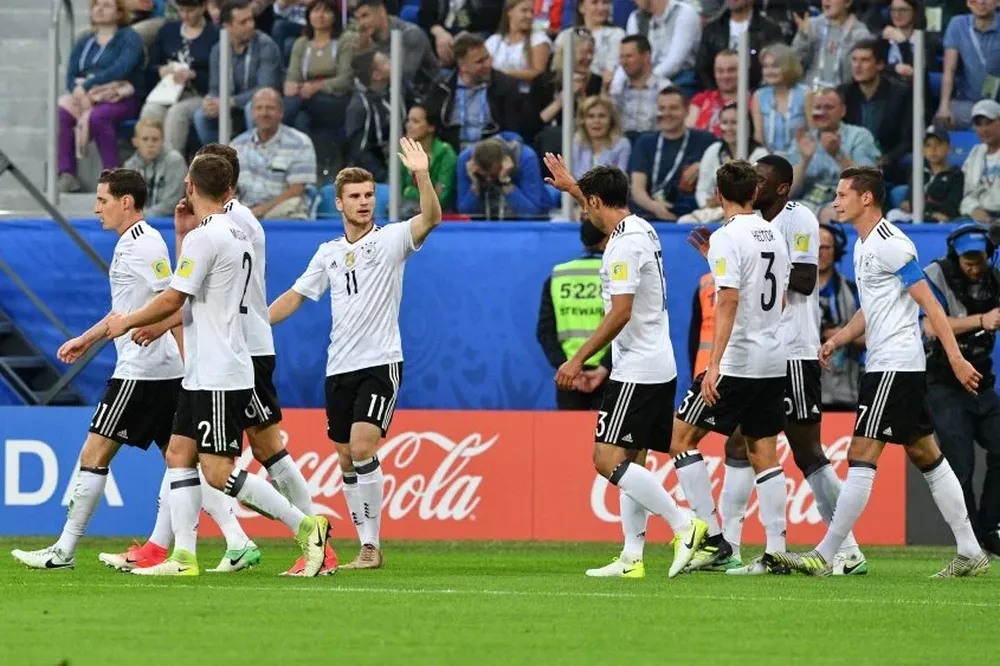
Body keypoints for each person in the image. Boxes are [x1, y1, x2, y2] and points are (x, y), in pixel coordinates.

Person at [10, 168, 263, 573]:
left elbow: (171, 298)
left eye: (103, 200)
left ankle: (64, 550)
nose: (96, 209)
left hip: (142, 371)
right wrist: (87, 339)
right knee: (182, 463)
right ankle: (238, 538)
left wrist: (182, 356)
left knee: (94, 453)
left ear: (126, 202)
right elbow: (125, 309)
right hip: (161, 371)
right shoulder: (132, 243)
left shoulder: (142, 245)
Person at [103, 155, 331, 577]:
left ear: (189, 186)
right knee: (178, 454)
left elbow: (174, 298)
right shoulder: (233, 230)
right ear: (229, 191)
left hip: (220, 370)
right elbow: (192, 295)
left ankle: (305, 526)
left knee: (217, 469)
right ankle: (183, 558)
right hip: (206, 368)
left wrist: (128, 320)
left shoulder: (206, 238)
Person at [774, 166, 991, 578]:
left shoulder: (892, 244)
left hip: (894, 365)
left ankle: (827, 553)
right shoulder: (862, 245)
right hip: (891, 365)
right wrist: (838, 339)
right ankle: (970, 550)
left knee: (860, 455)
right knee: (926, 454)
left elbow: (932, 305)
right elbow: (871, 309)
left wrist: (957, 358)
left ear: (866, 198)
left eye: (841, 195)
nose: (835, 202)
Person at [268, 139, 443, 569]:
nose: (365, 203)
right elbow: (294, 296)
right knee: (346, 456)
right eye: (356, 197)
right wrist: (251, 326)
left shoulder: (391, 240)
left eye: (369, 195)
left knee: (363, 447)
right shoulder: (328, 253)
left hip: (380, 362)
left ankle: (372, 546)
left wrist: (421, 174)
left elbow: (432, 218)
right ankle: (366, 545)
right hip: (338, 366)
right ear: (339, 204)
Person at [700, 156, 867, 575]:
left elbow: (807, 280)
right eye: (752, 177)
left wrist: (752, 265)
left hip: (794, 349)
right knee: (739, 444)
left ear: (780, 189)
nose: (755, 182)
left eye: (762, 178)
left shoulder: (800, 220)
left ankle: (846, 547)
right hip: (761, 350)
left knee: (806, 450)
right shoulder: (752, 226)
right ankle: (731, 546)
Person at [543, 155, 705, 579]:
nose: (584, 213)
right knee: (635, 459)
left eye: (584, 204)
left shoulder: (623, 244)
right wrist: (574, 187)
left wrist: (578, 359)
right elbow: (602, 205)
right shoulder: (639, 228)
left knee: (605, 458)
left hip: (636, 367)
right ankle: (633, 558)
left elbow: (621, 312)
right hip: (655, 361)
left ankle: (686, 527)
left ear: (598, 201)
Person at [668, 160, 792, 576]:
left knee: (680, 438)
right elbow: (776, 294)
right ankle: (776, 550)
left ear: (718, 195)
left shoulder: (726, 237)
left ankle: (713, 540)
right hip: (774, 356)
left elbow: (730, 300)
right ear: (755, 194)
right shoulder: (774, 232)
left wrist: (714, 363)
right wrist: (714, 260)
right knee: (763, 450)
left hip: (738, 359)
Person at [923, 224, 1000, 558]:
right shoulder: (935, 275)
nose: (974, 266)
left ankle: (991, 527)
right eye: (967, 260)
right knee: (961, 463)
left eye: (979, 259)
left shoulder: (994, 280)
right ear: (955, 255)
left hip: (982, 382)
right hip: (943, 383)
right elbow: (929, 325)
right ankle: (969, 541)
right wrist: (981, 320)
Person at [57, 0, 145, 193]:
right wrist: (78, 92)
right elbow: (71, 75)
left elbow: (121, 68)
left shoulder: (129, 38)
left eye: (106, 5)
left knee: (99, 116)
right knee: (62, 112)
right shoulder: (85, 41)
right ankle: (67, 173)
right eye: (96, 5)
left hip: (121, 96)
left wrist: (88, 86)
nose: (99, 9)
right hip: (85, 97)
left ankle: (112, 178)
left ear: (119, 12)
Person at [536, 220, 612, 411]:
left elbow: (545, 331)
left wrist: (565, 366)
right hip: (610, 374)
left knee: (569, 438)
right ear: (606, 241)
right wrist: (604, 367)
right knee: (608, 439)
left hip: (568, 375)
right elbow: (627, 324)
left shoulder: (558, 276)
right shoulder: (617, 275)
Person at [193, 0, 283, 145]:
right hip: (230, 103)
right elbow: (215, 88)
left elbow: (265, 88)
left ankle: (255, 155)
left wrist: (230, 102)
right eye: (243, 22)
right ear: (227, 26)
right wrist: (211, 101)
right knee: (200, 115)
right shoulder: (218, 49)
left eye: (251, 19)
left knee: (253, 109)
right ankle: (220, 159)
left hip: (257, 101)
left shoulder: (266, 45)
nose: (251, 25)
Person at [424, 33, 526, 152]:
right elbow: (431, 123)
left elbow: (512, 129)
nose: (488, 64)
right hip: (451, 150)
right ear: (463, 66)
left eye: (487, 57)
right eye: (480, 61)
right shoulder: (442, 87)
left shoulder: (505, 85)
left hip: (492, 150)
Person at [789, 88, 880, 219]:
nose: (822, 112)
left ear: (842, 110)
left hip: (843, 201)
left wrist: (838, 155)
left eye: (828, 107)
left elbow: (869, 183)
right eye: (818, 107)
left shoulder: (859, 136)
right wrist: (804, 161)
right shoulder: (804, 140)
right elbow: (787, 191)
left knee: (831, 213)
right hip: (806, 202)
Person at [142, 0, 219, 155]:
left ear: (202, 7)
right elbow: (151, 67)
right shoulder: (168, 31)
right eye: (182, 10)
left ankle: (172, 167)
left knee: (176, 114)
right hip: (167, 91)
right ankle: (148, 165)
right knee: (150, 111)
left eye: (190, 10)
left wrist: (193, 75)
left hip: (197, 93)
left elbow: (216, 77)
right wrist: (161, 70)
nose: (185, 15)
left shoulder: (214, 35)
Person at [628, 86, 717, 221]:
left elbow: (726, 167)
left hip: (693, 219)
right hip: (650, 217)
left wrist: (704, 165)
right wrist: (655, 207)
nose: (666, 113)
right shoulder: (645, 142)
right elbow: (637, 188)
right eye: (661, 108)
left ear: (687, 111)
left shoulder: (705, 140)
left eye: (673, 108)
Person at [230, 88, 317, 219]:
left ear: (281, 112)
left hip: (281, 212)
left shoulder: (300, 142)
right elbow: (230, 188)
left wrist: (262, 210)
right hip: (245, 213)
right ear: (252, 113)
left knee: (293, 205)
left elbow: (297, 190)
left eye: (270, 108)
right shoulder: (236, 145)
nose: (264, 113)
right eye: (259, 108)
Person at [679, 102, 769, 223]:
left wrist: (725, 200)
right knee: (684, 221)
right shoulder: (713, 150)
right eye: (725, 123)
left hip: (749, 212)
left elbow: (760, 193)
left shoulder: (760, 154)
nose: (728, 128)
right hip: (715, 210)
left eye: (734, 123)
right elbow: (702, 189)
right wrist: (707, 202)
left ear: (747, 125)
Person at [838, 39, 912, 183]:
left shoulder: (900, 93)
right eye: (854, 60)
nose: (857, 66)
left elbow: (908, 139)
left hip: (887, 162)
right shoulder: (844, 93)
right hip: (850, 159)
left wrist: (887, 159)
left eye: (864, 60)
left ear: (879, 64)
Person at [283, 0, 350, 146]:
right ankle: (304, 160)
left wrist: (316, 87)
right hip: (305, 100)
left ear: (335, 16)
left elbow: (345, 80)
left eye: (326, 11)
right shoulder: (301, 43)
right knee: (300, 119)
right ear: (308, 15)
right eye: (316, 11)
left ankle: (274, 121)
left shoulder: (344, 41)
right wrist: (292, 86)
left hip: (336, 100)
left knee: (295, 103)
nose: (320, 15)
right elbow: (292, 80)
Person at [347, 0, 440, 98]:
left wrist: (367, 56)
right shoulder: (366, 39)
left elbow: (401, 78)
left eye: (365, 16)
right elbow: (357, 79)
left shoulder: (411, 34)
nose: (361, 23)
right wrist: (362, 53)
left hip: (424, 98)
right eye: (358, 19)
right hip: (384, 96)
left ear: (381, 12)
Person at [525, 28, 602, 147]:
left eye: (591, 52)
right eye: (584, 52)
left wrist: (582, 96)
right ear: (567, 53)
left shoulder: (596, 81)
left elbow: (600, 121)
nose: (589, 57)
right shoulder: (544, 81)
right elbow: (531, 125)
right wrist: (560, 101)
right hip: (549, 142)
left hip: (586, 141)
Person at [817, 222, 862, 411]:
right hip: (805, 386)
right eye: (815, 247)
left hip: (845, 388)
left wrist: (843, 335)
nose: (820, 253)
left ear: (836, 250)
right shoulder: (791, 293)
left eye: (826, 247)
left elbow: (873, 335)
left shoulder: (852, 291)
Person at [937, 0, 1000, 130]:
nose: (981, 2)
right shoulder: (958, 24)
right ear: (968, 3)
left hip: (997, 103)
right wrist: (944, 106)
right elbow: (949, 69)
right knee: (941, 122)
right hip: (967, 102)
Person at [696, 0, 785, 92]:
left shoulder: (770, 30)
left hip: (755, 94)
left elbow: (777, 65)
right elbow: (702, 67)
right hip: (720, 95)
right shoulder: (712, 29)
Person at [345, 52, 403, 183]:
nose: (392, 63)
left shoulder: (395, 91)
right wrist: (385, 177)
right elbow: (360, 151)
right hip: (374, 177)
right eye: (386, 63)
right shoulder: (360, 106)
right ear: (376, 75)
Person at [886, 125, 964, 223]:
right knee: (892, 215)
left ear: (948, 148)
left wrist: (920, 207)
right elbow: (910, 202)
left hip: (942, 221)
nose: (933, 149)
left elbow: (951, 208)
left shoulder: (956, 175)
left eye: (938, 144)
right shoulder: (919, 172)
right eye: (928, 145)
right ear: (923, 150)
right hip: (920, 216)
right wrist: (931, 211)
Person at [456, 136, 546, 218]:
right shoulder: (466, 160)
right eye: (483, 175)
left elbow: (531, 213)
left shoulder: (526, 158)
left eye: (493, 175)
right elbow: (464, 212)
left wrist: (505, 181)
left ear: (504, 164)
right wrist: (475, 184)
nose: (488, 179)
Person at [792, 0, 873, 90]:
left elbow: (851, 74)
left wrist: (846, 40)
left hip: (841, 97)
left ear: (848, 2)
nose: (827, 1)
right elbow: (795, 65)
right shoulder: (811, 25)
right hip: (810, 94)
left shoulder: (860, 33)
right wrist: (803, 38)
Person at [620, 0, 702, 86]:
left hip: (680, 78)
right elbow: (628, 56)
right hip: (644, 78)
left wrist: (646, 81)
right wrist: (617, 85)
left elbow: (675, 62)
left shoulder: (684, 13)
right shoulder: (636, 17)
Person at [752, 43, 813, 156]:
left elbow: (814, 132)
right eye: (765, 66)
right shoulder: (759, 96)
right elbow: (758, 138)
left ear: (788, 67)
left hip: (801, 159)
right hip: (769, 159)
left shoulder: (805, 94)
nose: (769, 71)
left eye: (775, 66)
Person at [123, 118, 188, 217]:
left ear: (163, 141)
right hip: (140, 221)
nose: (150, 144)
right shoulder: (129, 166)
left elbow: (172, 204)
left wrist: (142, 215)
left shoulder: (175, 161)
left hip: (170, 222)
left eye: (155, 139)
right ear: (135, 142)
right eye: (145, 139)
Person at [401, 103, 458, 215]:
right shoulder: (402, 152)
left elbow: (442, 196)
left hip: (441, 215)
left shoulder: (446, 153)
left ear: (431, 127)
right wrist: (429, 192)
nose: (409, 125)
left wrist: (409, 190)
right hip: (406, 211)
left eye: (415, 121)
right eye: (408, 120)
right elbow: (398, 191)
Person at [485, 0, 553, 93]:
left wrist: (503, 73)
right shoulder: (494, 40)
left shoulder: (539, 40)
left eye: (532, 12)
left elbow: (538, 74)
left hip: (526, 97)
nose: (529, 16)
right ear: (509, 12)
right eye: (524, 11)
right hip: (495, 95)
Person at [609, 35, 669, 136]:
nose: (623, 62)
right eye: (621, 57)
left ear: (646, 56)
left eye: (629, 56)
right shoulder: (616, 89)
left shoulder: (665, 89)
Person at [553, 0, 625, 85]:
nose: (601, 8)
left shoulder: (617, 34)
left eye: (605, 3)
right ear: (581, 7)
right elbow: (557, 68)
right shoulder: (566, 35)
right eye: (594, 3)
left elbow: (611, 70)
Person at [419, 0, 506, 67]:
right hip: (437, 40)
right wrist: (438, 31)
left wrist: (463, 34)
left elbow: (490, 24)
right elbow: (425, 16)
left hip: (475, 36)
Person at [571, 96, 631, 180]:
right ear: (583, 121)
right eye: (591, 116)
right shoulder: (576, 143)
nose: (596, 121)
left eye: (602, 116)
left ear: (611, 120)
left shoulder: (622, 145)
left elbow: (621, 181)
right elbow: (571, 177)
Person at [687, 49, 744, 138]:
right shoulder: (701, 99)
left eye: (731, 70)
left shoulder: (752, 101)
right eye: (720, 71)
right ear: (714, 73)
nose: (725, 76)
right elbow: (688, 133)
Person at [960, 99, 1000, 224]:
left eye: (989, 123)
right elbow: (966, 194)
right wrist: (974, 209)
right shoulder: (976, 153)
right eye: (979, 124)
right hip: (978, 219)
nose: (984, 129)